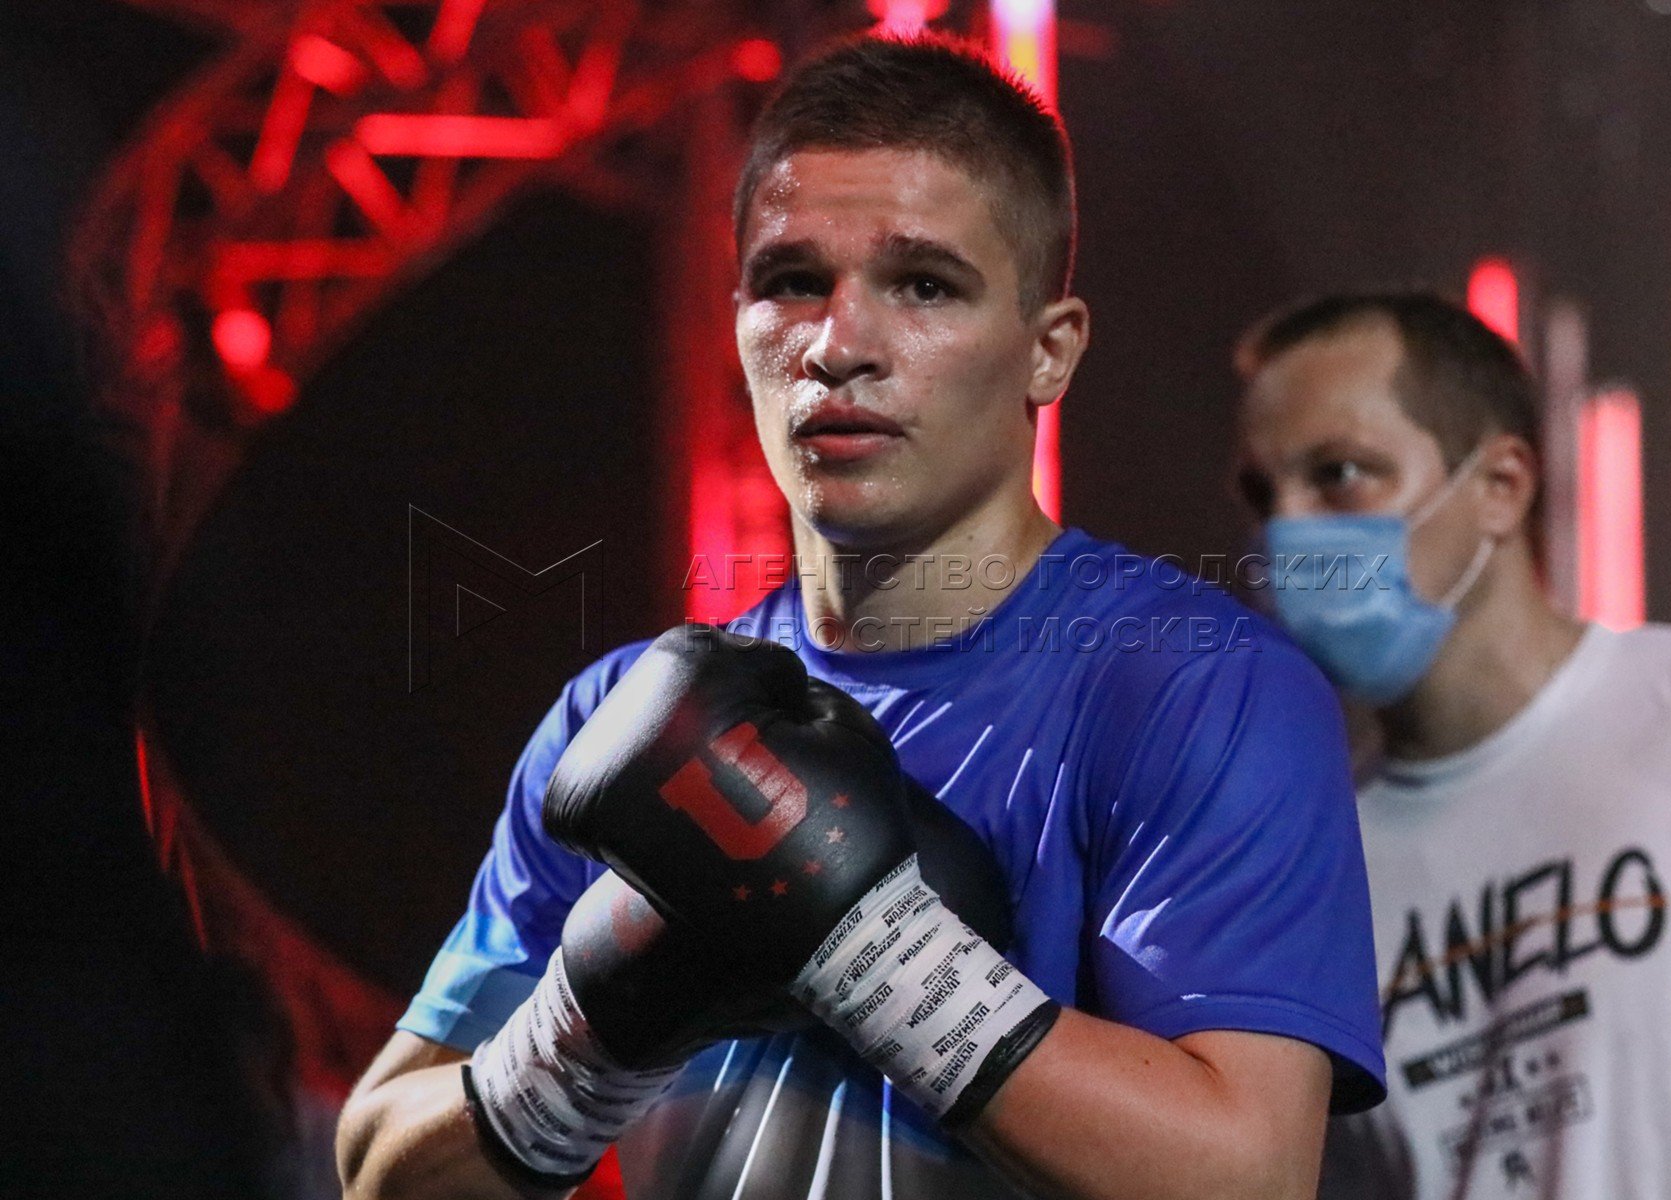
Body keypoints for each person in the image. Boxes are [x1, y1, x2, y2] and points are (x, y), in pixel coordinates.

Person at [336, 36, 1385, 1200]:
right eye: (792, 281)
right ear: (737, 324)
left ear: (1049, 352)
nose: (839, 346)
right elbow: (378, 1165)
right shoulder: (619, 720)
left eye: (924, 285)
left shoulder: (1198, 692)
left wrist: (872, 951)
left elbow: (1247, 1177)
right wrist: (594, 1030)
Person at [1232, 291, 1671, 1198]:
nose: (1288, 532)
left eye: (1340, 474)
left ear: (1501, 485)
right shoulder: (1309, 880)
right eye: (1265, 495)